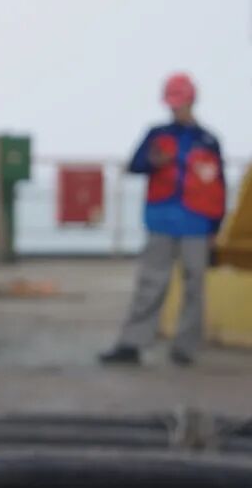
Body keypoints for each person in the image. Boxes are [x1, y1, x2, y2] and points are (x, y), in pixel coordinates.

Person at [99, 73, 226, 367]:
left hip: (197, 223)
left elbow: (218, 186)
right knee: (151, 282)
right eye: (172, 103)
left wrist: (215, 226)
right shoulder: (156, 134)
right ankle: (132, 343)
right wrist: (151, 161)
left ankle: (185, 348)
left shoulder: (208, 140)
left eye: (180, 103)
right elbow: (135, 164)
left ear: (192, 101)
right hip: (161, 220)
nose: (175, 109)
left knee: (194, 285)